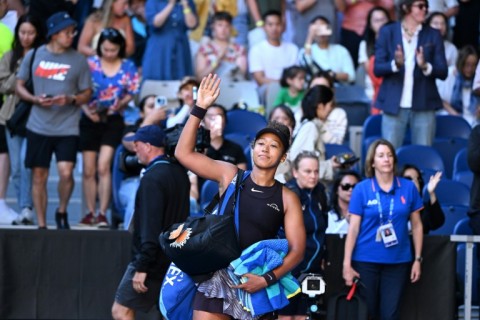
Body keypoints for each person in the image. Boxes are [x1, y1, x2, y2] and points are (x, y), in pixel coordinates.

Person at [174, 73, 306, 319]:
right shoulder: (230, 174)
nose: (266, 149)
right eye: (261, 143)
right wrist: (200, 107)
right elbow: (183, 154)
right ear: (252, 147)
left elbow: (298, 251)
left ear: (283, 157)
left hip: (255, 280)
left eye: (274, 145)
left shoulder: (288, 197)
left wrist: (265, 280)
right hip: (218, 274)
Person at [16, 11, 92, 229]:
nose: (72, 35)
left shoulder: (78, 60)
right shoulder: (35, 54)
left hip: (67, 125)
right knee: (39, 175)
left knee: (66, 173)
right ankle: (41, 224)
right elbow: (20, 85)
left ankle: (61, 210)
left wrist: (71, 98)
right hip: (38, 125)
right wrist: (34, 99)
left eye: (72, 31)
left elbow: (87, 92)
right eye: (68, 32)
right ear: (54, 34)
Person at [111, 125, 190, 320]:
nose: (134, 149)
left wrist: (142, 267)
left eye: (137, 145)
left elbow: (150, 227)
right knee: (166, 313)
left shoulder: (152, 178)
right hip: (174, 258)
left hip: (152, 261)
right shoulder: (179, 173)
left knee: (121, 311)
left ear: (148, 146)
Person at [343, 139, 423, 320]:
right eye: (380, 156)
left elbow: (417, 225)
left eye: (389, 155)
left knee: (390, 315)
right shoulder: (361, 189)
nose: (386, 159)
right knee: (366, 313)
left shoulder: (408, 187)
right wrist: (346, 264)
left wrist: (418, 259)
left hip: (398, 262)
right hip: (365, 260)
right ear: (372, 162)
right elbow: (353, 228)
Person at [78, 27, 139, 227]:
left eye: (113, 49)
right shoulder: (90, 64)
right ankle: (90, 211)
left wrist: (119, 104)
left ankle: (102, 212)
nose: (109, 53)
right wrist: (88, 111)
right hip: (89, 117)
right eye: (105, 49)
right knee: (88, 168)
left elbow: (132, 90)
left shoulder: (128, 66)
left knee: (104, 165)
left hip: (113, 118)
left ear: (120, 48)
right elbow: (79, 90)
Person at [374, 0, 448, 149]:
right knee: (389, 155)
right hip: (393, 104)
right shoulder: (388, 31)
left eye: (426, 6)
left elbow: (443, 71)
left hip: (424, 103)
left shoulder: (433, 34)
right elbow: (377, 68)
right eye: (420, 6)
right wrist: (396, 64)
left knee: (423, 155)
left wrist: (425, 66)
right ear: (406, 7)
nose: (425, 10)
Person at [0, 14, 44, 225]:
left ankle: (27, 206)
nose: (26, 37)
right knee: (16, 166)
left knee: (28, 163)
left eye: (30, 33)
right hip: (11, 116)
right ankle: (23, 207)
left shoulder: (43, 56)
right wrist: (21, 77)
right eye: (22, 32)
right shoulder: (10, 56)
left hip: (36, 116)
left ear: (37, 34)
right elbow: (3, 84)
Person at [278, 151, 328, 319]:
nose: (313, 176)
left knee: (303, 316)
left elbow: (323, 228)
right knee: (285, 316)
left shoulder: (320, 193)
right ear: (295, 172)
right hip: (289, 269)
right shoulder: (287, 195)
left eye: (316, 171)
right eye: (307, 171)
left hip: (312, 269)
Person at [288, 85, 343, 183]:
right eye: (330, 105)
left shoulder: (311, 126)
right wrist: (330, 165)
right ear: (321, 106)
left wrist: (331, 165)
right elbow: (303, 166)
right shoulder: (310, 128)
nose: (331, 110)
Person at [248, 10, 298, 103]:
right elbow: (260, 79)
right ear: (264, 27)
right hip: (266, 89)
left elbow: (295, 75)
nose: (274, 28)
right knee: (273, 89)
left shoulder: (292, 49)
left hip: (290, 88)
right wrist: (280, 84)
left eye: (277, 24)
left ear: (282, 26)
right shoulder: (256, 49)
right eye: (270, 24)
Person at [142, 0, 197, 81]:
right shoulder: (153, 2)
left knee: (182, 82)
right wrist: (171, 4)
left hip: (180, 49)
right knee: (156, 84)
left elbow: (192, 25)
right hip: (159, 50)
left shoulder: (188, 2)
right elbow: (155, 23)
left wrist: (185, 5)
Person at [334, 0, 394, 70]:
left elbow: (389, 5)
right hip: (350, 30)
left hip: (376, 31)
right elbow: (340, 7)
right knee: (348, 67)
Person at [299, 15, 355, 84]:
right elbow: (306, 62)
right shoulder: (305, 51)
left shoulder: (341, 50)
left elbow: (351, 77)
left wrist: (333, 75)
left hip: (339, 89)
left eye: (324, 28)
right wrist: (310, 37)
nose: (321, 32)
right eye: (317, 29)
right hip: (315, 90)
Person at [195, 11, 247, 82]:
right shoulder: (204, 49)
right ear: (213, 26)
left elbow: (241, 76)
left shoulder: (239, 49)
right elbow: (199, 78)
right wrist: (217, 60)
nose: (223, 29)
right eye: (220, 25)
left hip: (233, 88)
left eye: (227, 26)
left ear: (230, 28)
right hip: (211, 89)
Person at [358, 6, 391, 111]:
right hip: (373, 91)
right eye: (376, 20)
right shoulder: (365, 45)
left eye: (383, 19)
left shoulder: (397, 42)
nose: (381, 23)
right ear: (370, 25)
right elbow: (372, 72)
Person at [437, 45, 479, 127]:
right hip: (451, 117)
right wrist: (456, 115)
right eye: (467, 64)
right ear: (461, 63)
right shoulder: (450, 75)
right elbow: (439, 99)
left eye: (473, 65)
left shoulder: (477, 79)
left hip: (473, 120)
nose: (470, 69)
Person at [400, 164, 445, 234]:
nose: (414, 182)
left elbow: (437, 222)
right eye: (408, 179)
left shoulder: (423, 208)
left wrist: (431, 193)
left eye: (417, 179)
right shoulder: (391, 205)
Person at [326, 170, 362, 235]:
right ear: (336, 190)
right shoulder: (327, 214)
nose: (351, 190)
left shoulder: (366, 213)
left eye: (355, 187)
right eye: (346, 186)